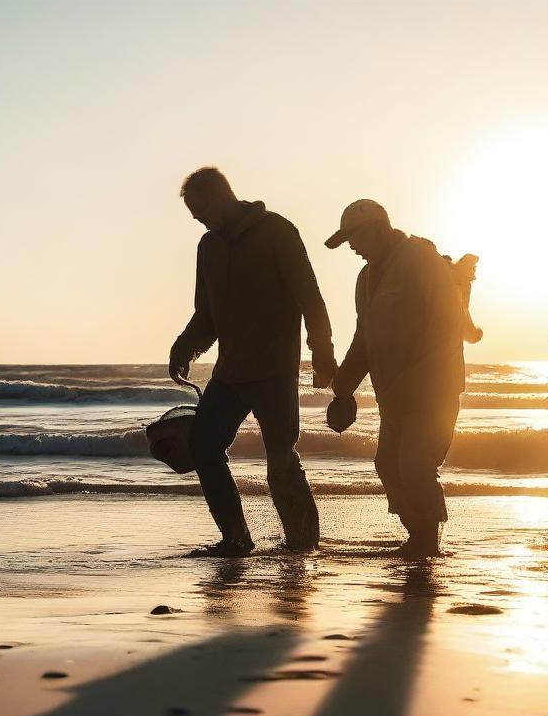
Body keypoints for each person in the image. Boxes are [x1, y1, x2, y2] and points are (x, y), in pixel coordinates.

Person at [169, 167, 336, 557]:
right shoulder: (208, 247)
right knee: (204, 446)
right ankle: (236, 539)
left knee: (281, 457)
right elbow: (206, 315)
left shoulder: (277, 231)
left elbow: (310, 298)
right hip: (230, 373)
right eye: (195, 216)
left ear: (224, 194)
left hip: (275, 371)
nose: (201, 220)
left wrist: (322, 353)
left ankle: (303, 544)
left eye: (204, 210)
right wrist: (183, 348)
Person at [325, 200, 465, 559]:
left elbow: (448, 326)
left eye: (353, 238)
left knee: (416, 465)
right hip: (394, 394)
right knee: (387, 464)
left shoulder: (421, 260)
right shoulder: (365, 278)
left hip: (433, 389)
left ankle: (428, 542)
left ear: (377, 227)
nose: (352, 247)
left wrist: (422, 378)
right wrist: (343, 388)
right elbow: (364, 338)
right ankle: (417, 533)